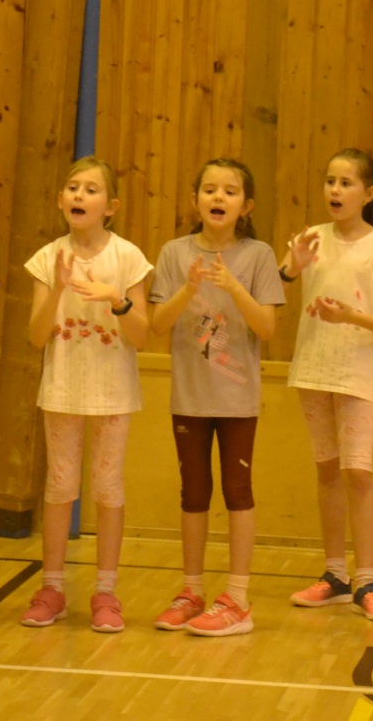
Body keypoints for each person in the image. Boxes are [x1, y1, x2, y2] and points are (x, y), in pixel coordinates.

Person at [149, 159, 284, 637]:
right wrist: (188, 290)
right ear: (195, 201)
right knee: (193, 493)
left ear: (246, 205)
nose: (218, 197)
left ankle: (238, 599)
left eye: (229, 191)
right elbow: (157, 325)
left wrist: (234, 288)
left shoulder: (259, 255)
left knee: (238, 492)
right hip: (189, 397)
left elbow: (267, 327)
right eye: (209, 189)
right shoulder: (174, 253)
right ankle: (191, 591)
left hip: (237, 401)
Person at [18, 157, 153, 633]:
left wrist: (117, 300)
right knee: (59, 487)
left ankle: (106, 592)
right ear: (61, 200)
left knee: (108, 486)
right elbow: (36, 336)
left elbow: (142, 335)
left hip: (113, 391)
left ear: (110, 206)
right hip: (62, 388)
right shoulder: (48, 257)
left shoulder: (128, 257)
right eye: (73, 187)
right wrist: (58, 289)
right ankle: (52, 588)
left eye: (91, 189)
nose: (79, 195)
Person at [282, 148, 373, 622]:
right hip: (313, 368)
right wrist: (291, 267)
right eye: (330, 181)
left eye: (346, 182)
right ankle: (335, 574)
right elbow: (276, 287)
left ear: (368, 193)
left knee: (358, 472)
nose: (335, 190)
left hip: (357, 372)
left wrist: (352, 316)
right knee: (326, 470)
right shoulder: (311, 238)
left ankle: (367, 580)